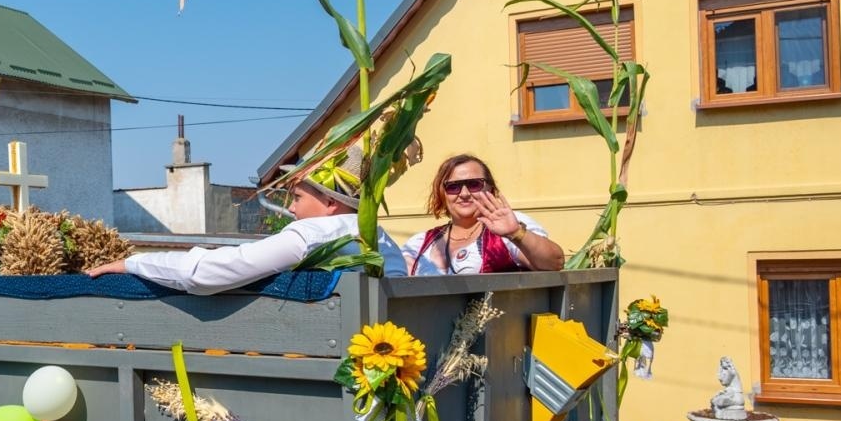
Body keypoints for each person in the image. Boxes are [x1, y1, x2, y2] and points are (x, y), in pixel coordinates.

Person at [84, 145, 407, 294]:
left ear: (331, 202)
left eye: (297, 197)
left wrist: (132, 264)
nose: (292, 210)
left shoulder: (311, 235)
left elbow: (208, 273)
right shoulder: (383, 241)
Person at [403, 154, 564, 275]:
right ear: (442, 194)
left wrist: (516, 233)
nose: (464, 193)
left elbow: (555, 262)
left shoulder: (511, 224)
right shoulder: (420, 243)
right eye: (453, 187)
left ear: (491, 189)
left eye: (474, 184)